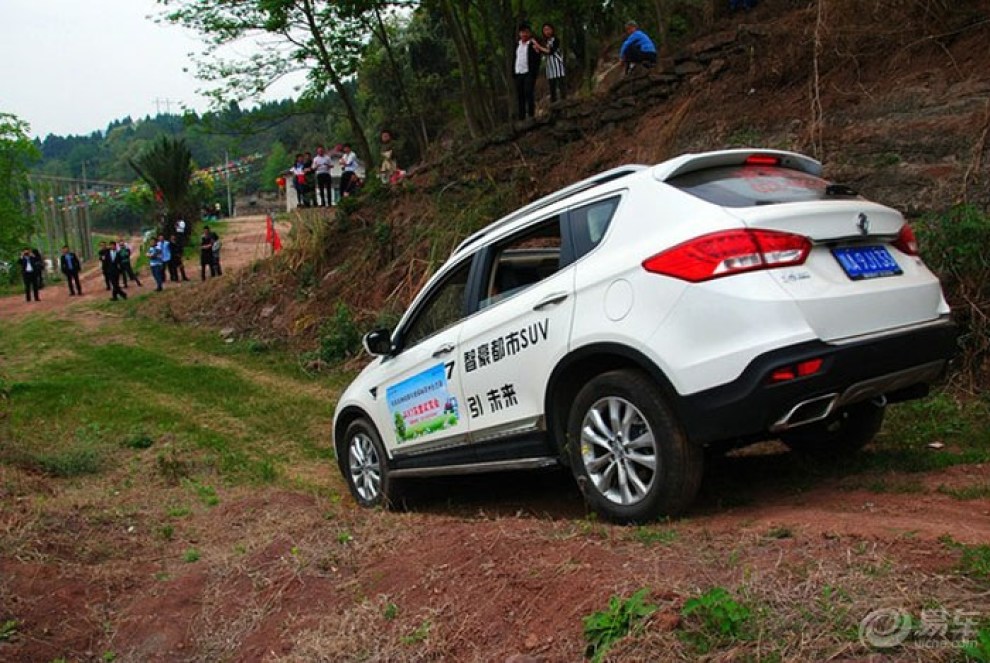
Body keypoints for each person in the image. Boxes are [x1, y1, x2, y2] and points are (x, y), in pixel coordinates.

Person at [513, 23, 541, 120]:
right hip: (519, 72)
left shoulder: (533, 44)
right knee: (520, 95)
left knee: (528, 92)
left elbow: (537, 58)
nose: (524, 34)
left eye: (526, 32)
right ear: (519, 33)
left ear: (529, 33)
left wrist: (534, 72)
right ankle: (521, 117)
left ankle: (531, 115)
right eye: (522, 32)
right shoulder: (517, 45)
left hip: (528, 72)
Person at [533, 23, 566, 102]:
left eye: (548, 29)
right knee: (552, 87)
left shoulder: (555, 40)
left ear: (552, 30)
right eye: (545, 30)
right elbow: (543, 52)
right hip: (550, 66)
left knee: (561, 85)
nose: (546, 32)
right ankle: (554, 103)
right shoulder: (545, 42)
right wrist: (537, 49)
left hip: (558, 65)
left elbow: (550, 51)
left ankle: (564, 101)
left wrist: (538, 46)